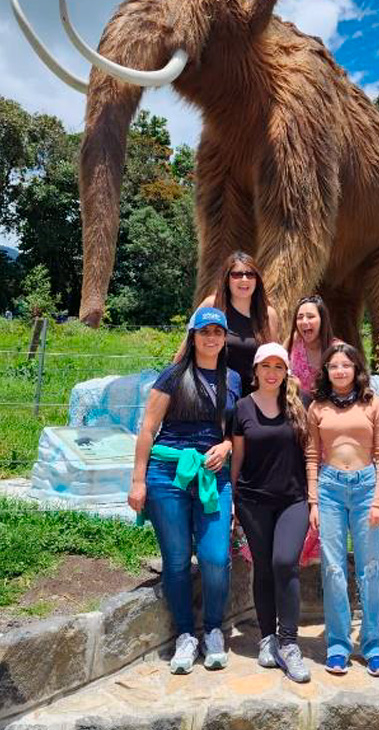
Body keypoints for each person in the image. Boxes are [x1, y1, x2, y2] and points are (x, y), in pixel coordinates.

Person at [128, 307, 241, 674]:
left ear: (224, 338)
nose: (211, 338)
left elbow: (234, 430)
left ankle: (213, 629)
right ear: (193, 336)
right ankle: (185, 634)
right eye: (205, 331)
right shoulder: (173, 375)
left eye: (218, 332)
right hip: (167, 474)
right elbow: (148, 428)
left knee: (215, 556)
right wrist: (138, 480)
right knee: (176, 560)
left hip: (212, 475)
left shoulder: (233, 379)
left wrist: (226, 446)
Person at [306, 343, 379, 676]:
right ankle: (338, 645)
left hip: (366, 486)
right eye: (333, 366)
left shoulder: (373, 404)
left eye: (346, 365)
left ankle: (373, 646)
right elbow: (312, 456)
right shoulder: (317, 407)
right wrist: (314, 500)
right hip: (329, 488)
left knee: (370, 568)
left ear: (356, 369)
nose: (340, 371)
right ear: (326, 371)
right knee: (333, 569)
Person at [230, 343, 311, 683]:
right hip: (253, 500)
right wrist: (232, 499)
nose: (272, 373)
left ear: (286, 371)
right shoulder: (241, 408)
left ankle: (289, 642)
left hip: (294, 499)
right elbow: (237, 456)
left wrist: (315, 496)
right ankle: (268, 638)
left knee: (284, 562)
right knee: (263, 567)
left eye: (279, 366)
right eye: (266, 366)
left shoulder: (300, 403)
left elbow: (311, 452)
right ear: (256, 370)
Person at [202, 252, 280, 395]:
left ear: (257, 280)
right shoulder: (212, 306)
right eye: (237, 274)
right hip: (216, 395)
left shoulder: (268, 315)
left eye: (250, 274)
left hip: (255, 398)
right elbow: (187, 346)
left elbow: (273, 359)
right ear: (227, 279)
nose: (244, 279)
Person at [286, 295, 336, 404]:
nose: (304, 321)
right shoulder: (294, 340)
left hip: (326, 407)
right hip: (295, 406)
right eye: (300, 317)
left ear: (322, 319)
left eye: (310, 316)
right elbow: (278, 364)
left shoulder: (336, 349)